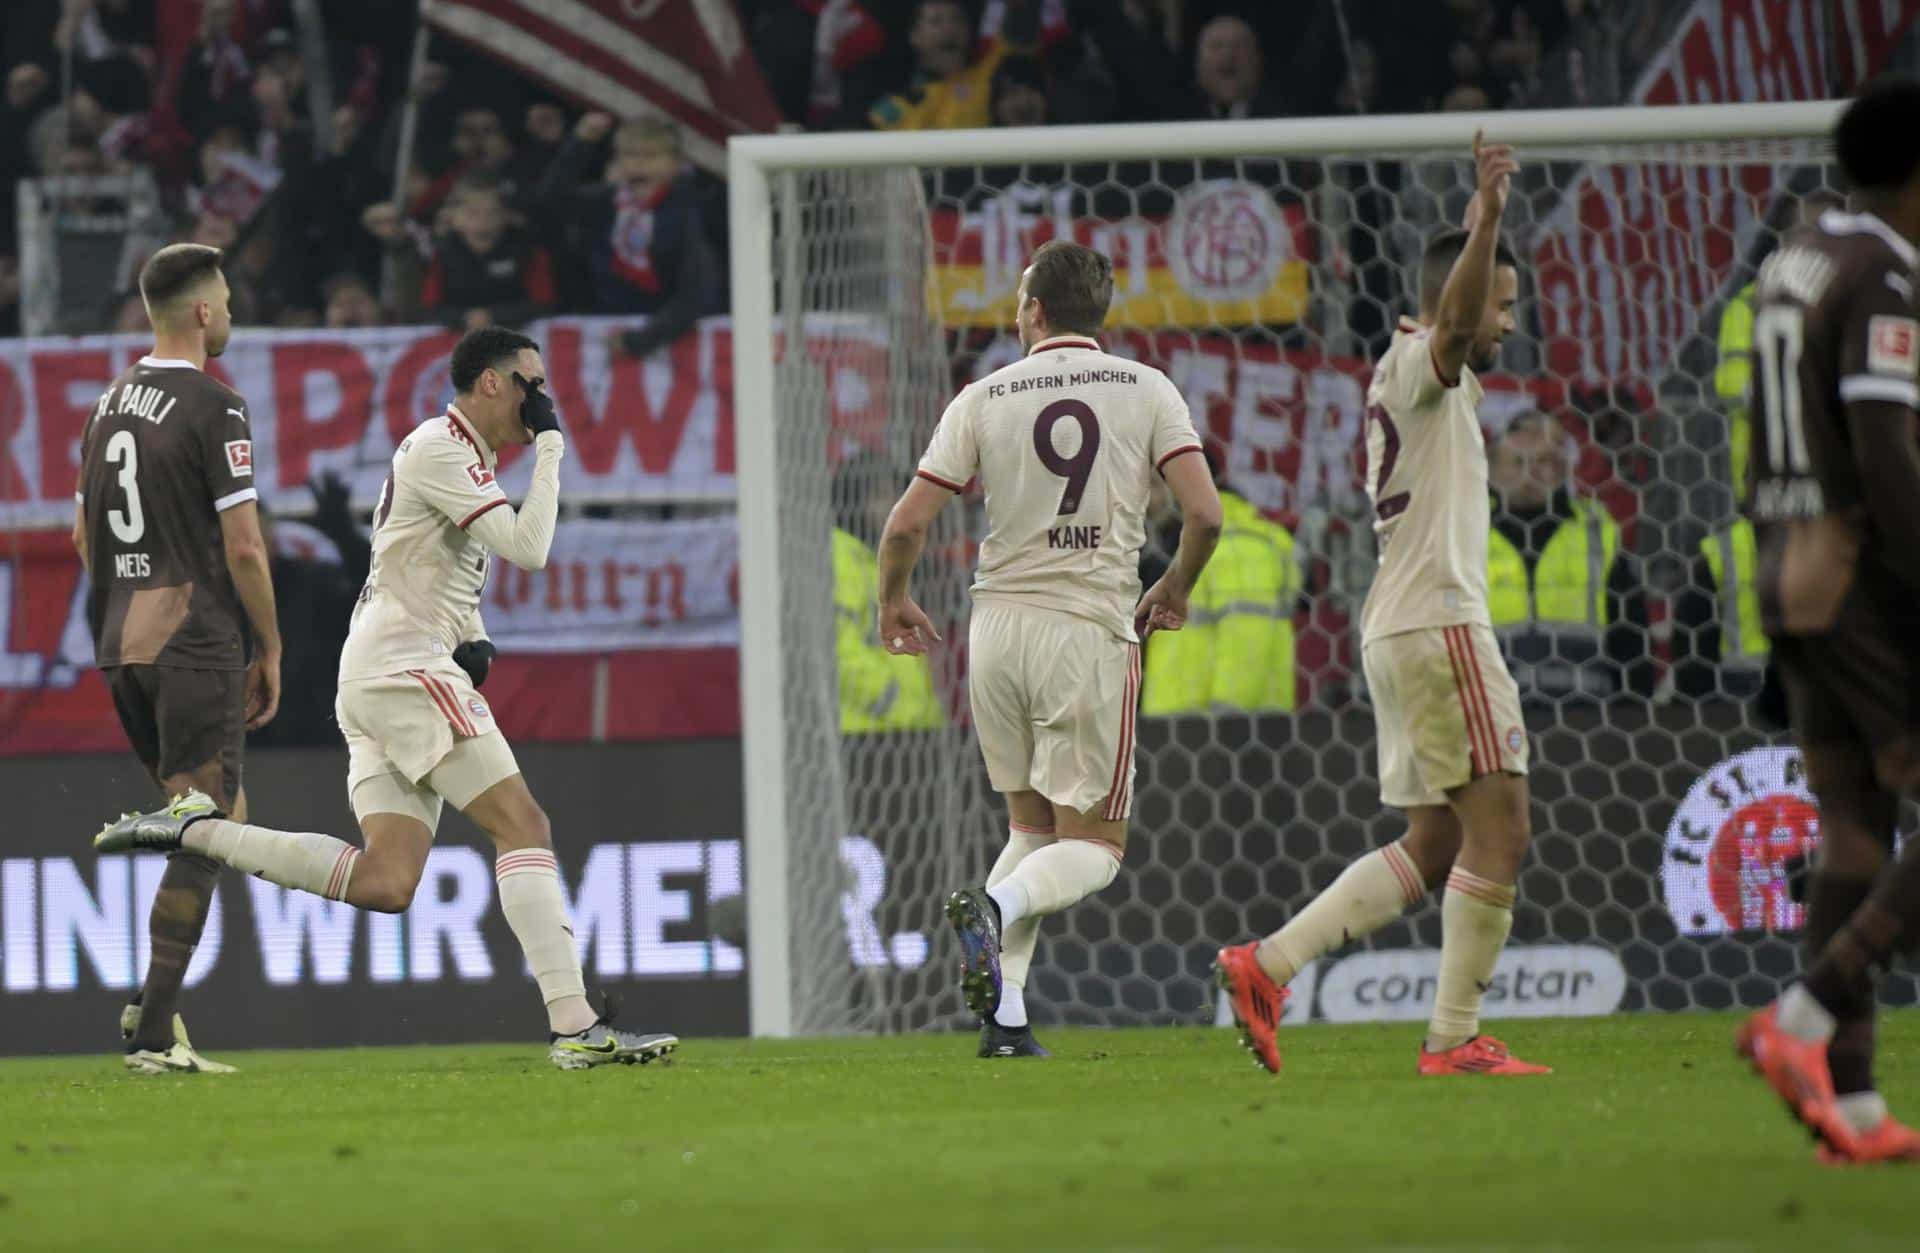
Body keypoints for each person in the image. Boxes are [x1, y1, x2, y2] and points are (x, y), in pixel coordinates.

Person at [95, 327, 678, 1071]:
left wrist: (473, 633)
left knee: (387, 880)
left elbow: (426, 563)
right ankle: (575, 1024)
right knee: (523, 822)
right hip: (403, 667)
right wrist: (556, 448)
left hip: (379, 669)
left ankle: (194, 833)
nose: (543, 401)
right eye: (532, 384)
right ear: (492, 383)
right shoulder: (441, 444)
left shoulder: (461, 456)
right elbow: (529, 548)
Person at [1215, 134, 1551, 1078]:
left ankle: (1266, 963)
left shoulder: (1423, 385)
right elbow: (1453, 329)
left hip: (1401, 626)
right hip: (1439, 626)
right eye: (1502, 307)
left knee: (1438, 839)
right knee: (1505, 828)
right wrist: (1486, 218)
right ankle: (1453, 1036)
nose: (1507, 325)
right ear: (1458, 298)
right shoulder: (1419, 362)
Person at [876, 240, 1223, 1058]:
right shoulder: (1146, 389)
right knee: (1096, 849)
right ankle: (992, 914)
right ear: (1096, 314)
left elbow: (906, 524)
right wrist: (1174, 586)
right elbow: (1205, 515)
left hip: (995, 632)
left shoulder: (985, 394)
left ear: (1032, 311)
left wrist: (892, 598)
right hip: (1087, 627)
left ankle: (1005, 1018)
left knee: (1030, 827)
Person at [1734, 80, 1920, 1165]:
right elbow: (1888, 448)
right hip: (1859, 574)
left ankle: (1847, 1107)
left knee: (1855, 830)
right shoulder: (1883, 273)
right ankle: (1803, 1017)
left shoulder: (1795, 255)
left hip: (1782, 570)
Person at [74, 243, 281, 1074]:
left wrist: (128, 600)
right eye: (224, 299)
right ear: (202, 311)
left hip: (121, 640)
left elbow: (83, 536)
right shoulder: (214, 405)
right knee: (205, 823)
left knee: (218, 818)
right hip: (194, 639)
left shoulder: (106, 404)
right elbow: (244, 547)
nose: (229, 311)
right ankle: (155, 1026)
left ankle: (154, 1010)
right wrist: (269, 643)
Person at [1486, 412, 1645, 702]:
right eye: (1519, 461)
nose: (1532, 470)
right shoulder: (1464, 534)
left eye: (1545, 460)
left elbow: (1631, 640)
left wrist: (1630, 717)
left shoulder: (1596, 531)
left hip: (1590, 718)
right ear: (1492, 467)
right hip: (1490, 724)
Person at [1140, 451, 1301, 716]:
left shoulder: (1239, 546)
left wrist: (1223, 725)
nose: (1145, 502)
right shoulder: (1181, 551)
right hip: (1178, 731)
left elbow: (1247, 642)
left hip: (1227, 735)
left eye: (1155, 487)